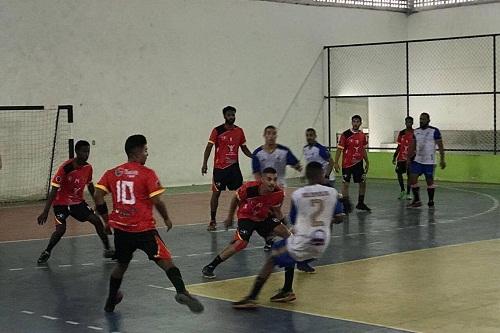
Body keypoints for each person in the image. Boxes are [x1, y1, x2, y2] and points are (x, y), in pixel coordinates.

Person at [94, 134, 203, 313]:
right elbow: (157, 201)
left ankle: (111, 300)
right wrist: (166, 218)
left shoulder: (112, 173)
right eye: (145, 150)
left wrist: (107, 220)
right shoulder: (147, 174)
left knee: (121, 265)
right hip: (144, 229)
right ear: (137, 152)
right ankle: (181, 291)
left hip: (122, 229)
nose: (147, 154)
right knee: (166, 261)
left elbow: (98, 196)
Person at [232, 162, 341, 308]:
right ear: (322, 174)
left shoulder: (299, 195)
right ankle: (287, 289)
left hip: (304, 241)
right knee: (289, 250)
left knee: (273, 257)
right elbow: (340, 218)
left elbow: (296, 219)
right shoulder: (332, 192)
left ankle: (252, 297)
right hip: (322, 242)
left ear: (306, 176)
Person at [201, 167, 291, 279]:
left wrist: (286, 226)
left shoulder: (279, 193)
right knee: (241, 243)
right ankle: (210, 266)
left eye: (275, 179)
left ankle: (298, 260)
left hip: (263, 217)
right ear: (262, 179)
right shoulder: (249, 188)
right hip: (247, 216)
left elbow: (277, 211)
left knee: (287, 234)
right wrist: (230, 217)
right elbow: (235, 198)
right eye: (269, 179)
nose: (272, 182)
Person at [36, 140, 113, 264]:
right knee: (61, 230)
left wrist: (97, 203)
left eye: (88, 151)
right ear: (77, 152)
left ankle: (108, 249)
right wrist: (45, 211)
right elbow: (54, 189)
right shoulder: (66, 168)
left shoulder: (88, 168)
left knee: (96, 220)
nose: (86, 154)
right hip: (61, 203)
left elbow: (90, 186)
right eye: (84, 151)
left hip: (77, 203)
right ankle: (47, 251)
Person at [202, 106, 252, 231]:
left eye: (233, 115)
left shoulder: (239, 131)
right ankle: (213, 220)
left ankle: (243, 219)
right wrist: (204, 163)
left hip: (234, 168)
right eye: (229, 115)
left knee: (241, 194)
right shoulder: (217, 131)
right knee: (216, 194)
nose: (231, 117)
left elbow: (244, 148)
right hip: (220, 168)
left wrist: (254, 157)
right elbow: (209, 147)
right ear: (224, 116)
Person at [407, 113, 446, 208]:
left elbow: (440, 146)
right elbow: (412, 145)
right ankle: (417, 200)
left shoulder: (434, 131)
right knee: (412, 178)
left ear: (428, 120)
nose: (421, 121)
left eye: (424, 119)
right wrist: (408, 158)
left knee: (429, 181)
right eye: (420, 119)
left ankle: (431, 200)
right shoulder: (416, 131)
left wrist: (442, 159)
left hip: (429, 161)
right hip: (418, 160)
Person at [334, 115, 371, 213]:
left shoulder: (362, 135)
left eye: (357, 122)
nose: (355, 123)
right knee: (345, 184)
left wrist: (367, 161)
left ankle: (360, 203)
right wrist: (336, 162)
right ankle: (346, 206)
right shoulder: (345, 134)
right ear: (352, 122)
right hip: (347, 164)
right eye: (354, 121)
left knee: (363, 183)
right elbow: (339, 149)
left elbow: (363, 149)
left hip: (358, 163)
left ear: (360, 123)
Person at [392, 116, 414, 200]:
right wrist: (395, 156)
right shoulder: (401, 133)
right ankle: (402, 190)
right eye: (407, 122)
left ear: (412, 123)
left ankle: (408, 193)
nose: (408, 123)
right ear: (405, 123)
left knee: (410, 175)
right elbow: (399, 146)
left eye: (410, 122)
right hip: (401, 158)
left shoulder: (414, 133)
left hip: (410, 158)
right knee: (399, 173)